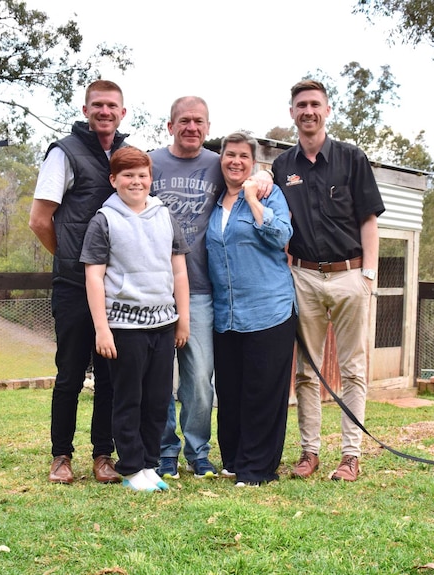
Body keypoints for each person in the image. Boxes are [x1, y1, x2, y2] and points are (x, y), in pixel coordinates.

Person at [272, 79, 385, 482]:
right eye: (300, 105)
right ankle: (309, 452)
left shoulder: (352, 159)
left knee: (354, 369)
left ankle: (350, 456)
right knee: (306, 370)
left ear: (327, 110)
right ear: (292, 112)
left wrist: (368, 275)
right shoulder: (283, 166)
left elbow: (368, 219)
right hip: (302, 275)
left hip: (350, 274)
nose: (308, 111)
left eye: (315, 104)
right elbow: (277, 224)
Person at [28, 79, 128, 485]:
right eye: (98, 106)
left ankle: (104, 455)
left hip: (117, 287)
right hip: (73, 286)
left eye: (112, 106)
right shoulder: (63, 153)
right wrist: (72, 261)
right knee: (70, 373)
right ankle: (61, 456)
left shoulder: (125, 156)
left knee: (109, 376)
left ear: (123, 113)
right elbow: (39, 220)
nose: (105, 112)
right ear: (86, 110)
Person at [81, 147, 190, 492]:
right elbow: (94, 276)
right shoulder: (104, 220)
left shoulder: (165, 215)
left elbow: (179, 270)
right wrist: (102, 328)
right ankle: (130, 467)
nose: (136, 181)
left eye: (142, 174)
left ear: (150, 178)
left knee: (159, 399)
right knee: (129, 398)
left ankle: (149, 464)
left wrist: (182, 318)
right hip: (124, 327)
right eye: (127, 175)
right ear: (113, 180)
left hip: (163, 324)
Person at [206, 132, 297, 486]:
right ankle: (234, 459)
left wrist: (252, 199)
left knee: (262, 392)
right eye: (230, 155)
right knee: (229, 391)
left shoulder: (267, 192)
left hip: (269, 310)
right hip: (227, 314)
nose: (235, 161)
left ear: (254, 162)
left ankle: (258, 468)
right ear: (222, 158)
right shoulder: (213, 202)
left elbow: (281, 236)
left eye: (243, 156)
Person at [148, 96, 222, 479]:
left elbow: (250, 180)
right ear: (170, 125)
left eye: (199, 121)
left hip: (201, 289)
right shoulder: (150, 162)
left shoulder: (217, 164)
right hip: (155, 290)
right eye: (184, 121)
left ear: (208, 127)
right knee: (159, 377)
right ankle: (164, 452)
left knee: (199, 378)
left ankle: (198, 452)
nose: (191, 127)